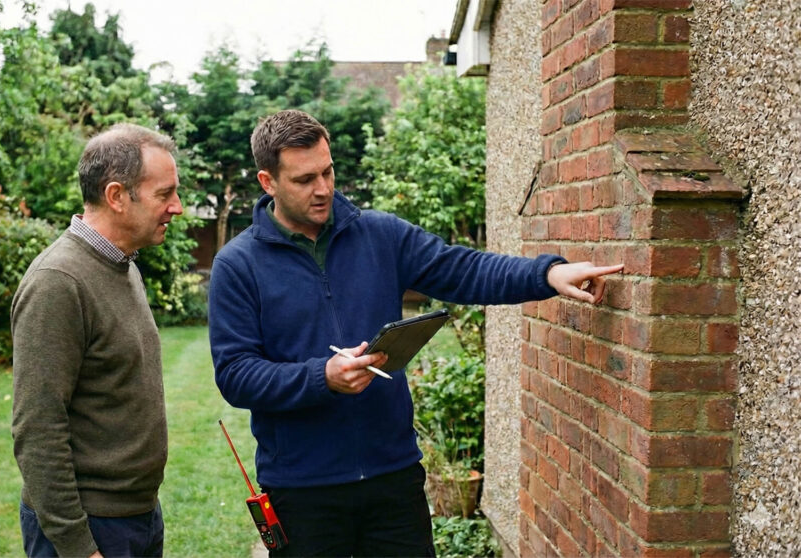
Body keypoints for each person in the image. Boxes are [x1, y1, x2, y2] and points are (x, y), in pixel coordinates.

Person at [207, 109, 622, 557]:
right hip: (302, 490)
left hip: (394, 477)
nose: (324, 189)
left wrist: (548, 274)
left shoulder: (380, 235)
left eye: (328, 171)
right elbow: (236, 374)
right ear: (268, 182)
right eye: (305, 179)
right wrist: (321, 377)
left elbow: (465, 269)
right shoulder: (237, 266)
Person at [11, 123, 183, 558]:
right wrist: (77, 545)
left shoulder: (125, 267)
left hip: (136, 516)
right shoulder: (58, 282)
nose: (177, 207)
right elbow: (38, 428)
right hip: (89, 528)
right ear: (116, 196)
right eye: (165, 194)